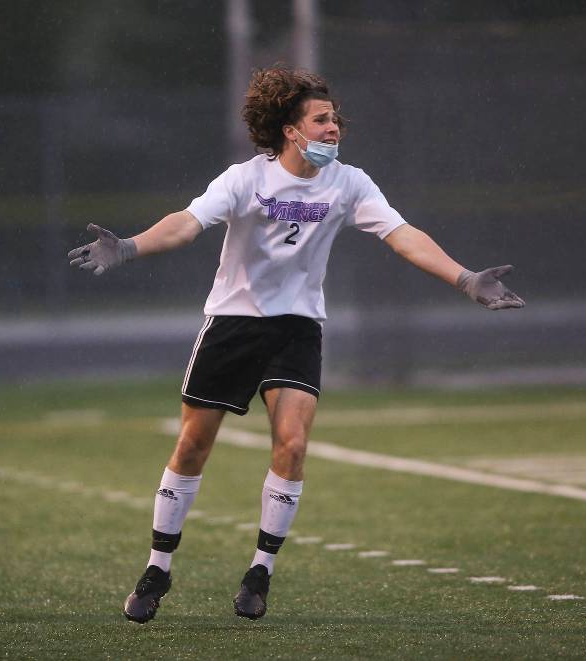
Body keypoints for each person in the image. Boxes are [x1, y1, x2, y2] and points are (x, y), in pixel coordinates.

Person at [68, 65, 523, 623]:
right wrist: (131, 247)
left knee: (293, 444)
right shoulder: (244, 179)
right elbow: (187, 224)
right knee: (192, 447)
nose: (334, 129)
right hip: (233, 324)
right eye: (322, 120)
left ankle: (260, 571)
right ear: (291, 129)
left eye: (336, 120)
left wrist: (465, 279)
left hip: (297, 330)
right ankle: (159, 566)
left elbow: (403, 236)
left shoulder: (349, 183)